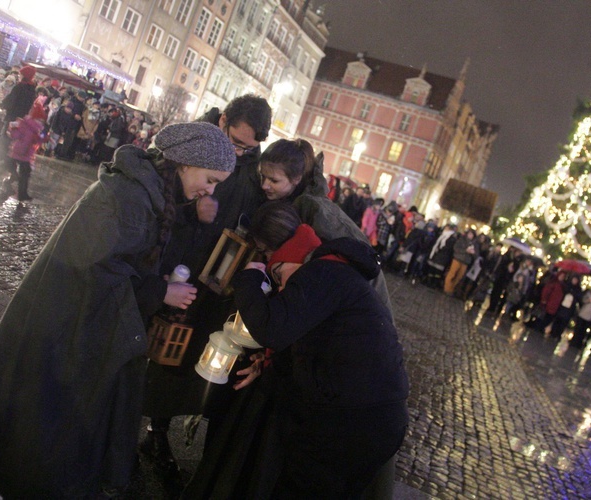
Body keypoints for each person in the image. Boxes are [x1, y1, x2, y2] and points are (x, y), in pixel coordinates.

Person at [0, 122, 236, 498]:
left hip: (66, 330)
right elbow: (91, 272)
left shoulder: (144, 192)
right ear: (183, 162)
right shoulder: (128, 196)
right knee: (36, 431)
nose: (210, 191)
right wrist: (159, 290)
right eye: (210, 179)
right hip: (61, 334)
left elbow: (114, 263)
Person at [230, 202, 409, 497]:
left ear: (276, 255)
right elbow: (307, 344)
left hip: (355, 423)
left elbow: (273, 329)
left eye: (266, 258)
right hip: (370, 418)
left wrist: (248, 279)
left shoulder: (320, 274)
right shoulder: (329, 269)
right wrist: (267, 365)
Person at [141, 94, 272, 472]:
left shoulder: (250, 167)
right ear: (224, 119)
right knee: (154, 339)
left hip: (217, 278)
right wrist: (192, 209)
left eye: (250, 147)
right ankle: (127, 414)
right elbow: (160, 194)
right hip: (178, 263)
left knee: (187, 350)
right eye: (237, 142)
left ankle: (158, 428)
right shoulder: (192, 142)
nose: (242, 152)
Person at [257, 138, 393, 312]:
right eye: (263, 176)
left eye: (273, 180)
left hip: (363, 304)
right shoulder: (298, 202)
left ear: (296, 179)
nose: (264, 185)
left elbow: (319, 269)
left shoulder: (313, 210)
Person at [0, 99, 48, 203]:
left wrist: (44, 137)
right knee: (21, 173)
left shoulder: (34, 127)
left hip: (24, 153)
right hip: (20, 152)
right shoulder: (27, 125)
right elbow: (16, 135)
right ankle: (19, 191)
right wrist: (13, 130)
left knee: (24, 174)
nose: (42, 122)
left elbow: (37, 139)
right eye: (41, 120)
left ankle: (22, 194)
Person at [443, 228, 477, 295]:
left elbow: (476, 255)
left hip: (465, 262)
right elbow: (456, 248)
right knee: (452, 273)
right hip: (457, 259)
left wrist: (473, 253)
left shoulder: (474, 244)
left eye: (472, 234)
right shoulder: (461, 240)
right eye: (469, 234)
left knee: (459, 277)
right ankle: (447, 288)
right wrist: (465, 251)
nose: (470, 235)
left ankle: (452, 289)